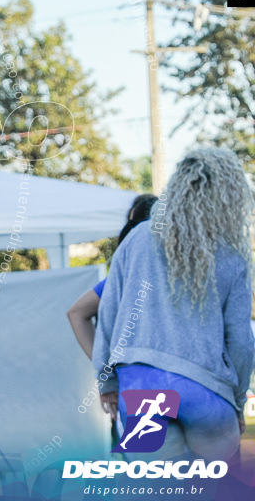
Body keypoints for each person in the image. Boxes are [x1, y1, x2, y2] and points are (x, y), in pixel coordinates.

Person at [94, 148, 255, 461]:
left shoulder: (137, 240)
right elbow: (241, 341)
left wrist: (107, 380)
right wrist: (236, 401)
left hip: (142, 387)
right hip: (208, 391)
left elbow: (108, 314)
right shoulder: (232, 257)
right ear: (229, 197)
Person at [67, 194, 158, 361]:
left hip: (130, 378)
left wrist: (102, 364)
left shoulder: (122, 280)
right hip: (151, 379)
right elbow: (76, 313)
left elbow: (76, 313)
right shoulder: (126, 279)